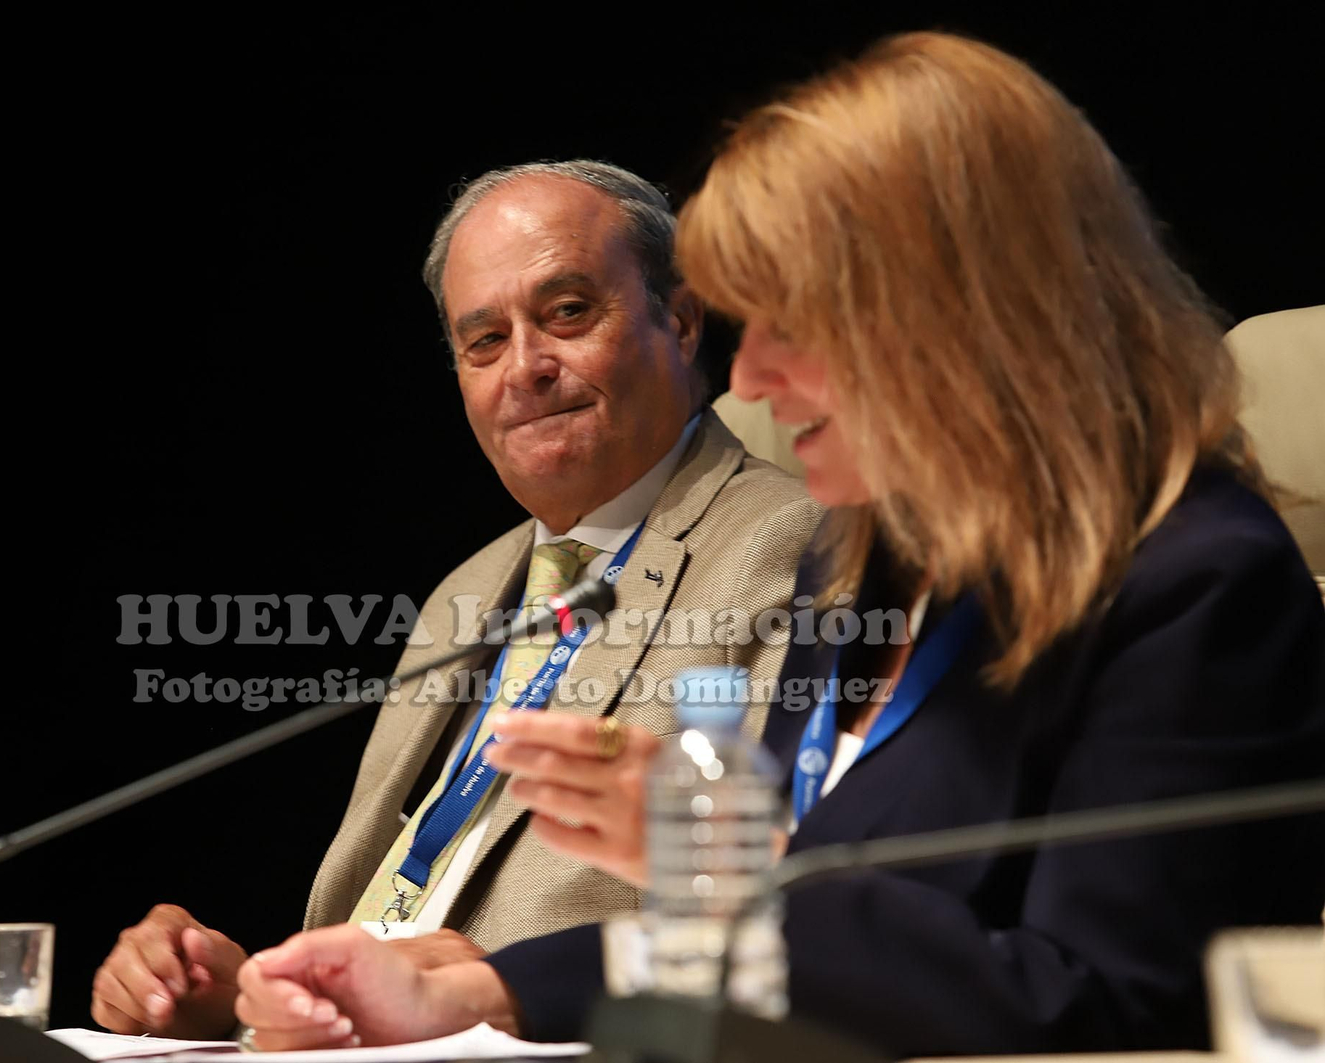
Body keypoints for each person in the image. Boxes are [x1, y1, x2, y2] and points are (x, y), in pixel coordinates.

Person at [225, 32, 1325, 1056]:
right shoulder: (860, 568)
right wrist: (480, 994)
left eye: (793, 328)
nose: (749, 383)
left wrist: (732, 865)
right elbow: (771, 948)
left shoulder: (1197, 584)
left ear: (963, 313)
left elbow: (1108, 1002)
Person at [89, 160, 823, 1040]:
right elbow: (404, 904)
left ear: (681, 319)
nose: (526, 367)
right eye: (483, 341)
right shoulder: (468, 591)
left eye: (568, 313)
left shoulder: (793, 547)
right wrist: (252, 996)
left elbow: (805, 913)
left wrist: (488, 992)